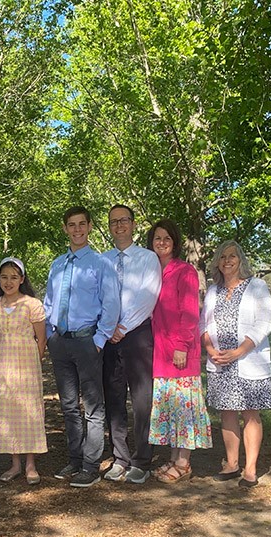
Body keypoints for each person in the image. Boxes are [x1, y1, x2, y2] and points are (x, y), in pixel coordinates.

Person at [43, 206, 121, 488]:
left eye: (81, 224)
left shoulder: (101, 264)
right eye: (71, 225)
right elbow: (49, 302)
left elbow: (111, 304)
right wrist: (50, 335)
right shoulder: (57, 265)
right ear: (65, 228)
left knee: (92, 406)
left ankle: (90, 466)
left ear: (89, 227)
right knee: (68, 405)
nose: (77, 229)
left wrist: (99, 340)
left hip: (88, 342)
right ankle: (75, 460)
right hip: (60, 343)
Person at [200, 240, 271, 489]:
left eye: (232, 256)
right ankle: (231, 464)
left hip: (248, 359)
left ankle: (250, 468)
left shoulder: (257, 286)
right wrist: (210, 349)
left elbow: (264, 323)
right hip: (221, 361)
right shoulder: (213, 291)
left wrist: (239, 351)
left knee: (250, 412)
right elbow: (203, 324)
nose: (227, 261)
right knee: (227, 411)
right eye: (222, 257)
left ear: (240, 260)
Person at [147, 220, 212, 483]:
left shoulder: (185, 271)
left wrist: (182, 346)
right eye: (157, 238)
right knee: (171, 407)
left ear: (175, 242)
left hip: (180, 350)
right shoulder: (152, 272)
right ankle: (174, 458)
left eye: (167, 238)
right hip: (160, 352)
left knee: (184, 408)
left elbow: (189, 312)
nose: (161, 242)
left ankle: (184, 463)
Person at [101, 205, 162, 484]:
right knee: (113, 398)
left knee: (141, 399)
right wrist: (108, 329)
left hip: (137, 335)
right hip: (108, 336)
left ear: (133, 224)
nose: (119, 225)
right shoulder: (103, 261)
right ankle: (120, 458)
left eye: (124, 220)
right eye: (114, 221)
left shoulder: (148, 258)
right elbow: (97, 297)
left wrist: (123, 327)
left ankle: (142, 459)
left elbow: (148, 296)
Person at [0, 257, 48, 485]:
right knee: (9, 412)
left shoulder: (32, 304)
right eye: (4, 277)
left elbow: (41, 338)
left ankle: (30, 464)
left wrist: (33, 361)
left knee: (29, 411)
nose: (8, 282)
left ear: (22, 279)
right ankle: (14, 464)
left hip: (28, 364)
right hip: (4, 366)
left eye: (13, 277)